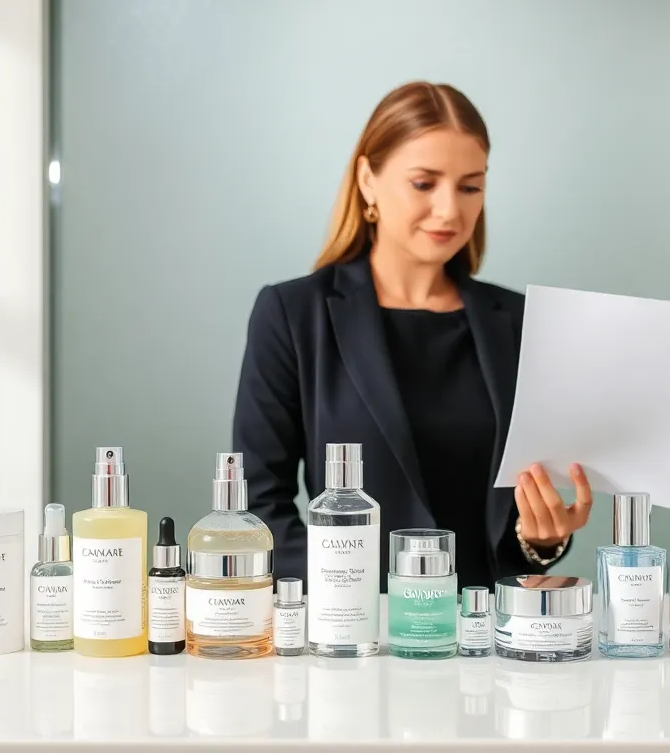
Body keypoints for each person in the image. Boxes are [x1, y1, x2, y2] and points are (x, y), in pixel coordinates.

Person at [233, 81, 594, 591]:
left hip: (486, 641)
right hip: (356, 639)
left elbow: (512, 543)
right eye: (424, 183)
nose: (450, 210)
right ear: (368, 180)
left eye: (470, 186)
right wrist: (350, 604)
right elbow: (258, 505)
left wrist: (541, 539)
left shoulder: (520, 322)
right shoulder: (294, 314)